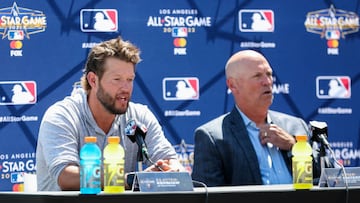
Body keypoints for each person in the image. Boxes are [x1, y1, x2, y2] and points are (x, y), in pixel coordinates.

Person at [36, 36, 184, 191]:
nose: (126, 88)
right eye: (117, 79)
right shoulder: (62, 116)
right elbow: (66, 176)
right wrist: (129, 180)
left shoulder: (139, 116)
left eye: (130, 79)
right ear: (93, 80)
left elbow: (170, 160)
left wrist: (172, 170)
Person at [191, 50, 321, 186]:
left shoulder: (296, 126)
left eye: (269, 74)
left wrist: (293, 146)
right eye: (257, 76)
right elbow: (207, 196)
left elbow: (323, 181)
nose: (267, 82)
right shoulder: (213, 137)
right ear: (233, 85)